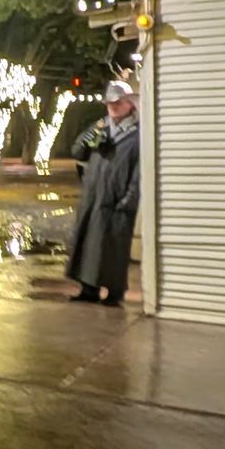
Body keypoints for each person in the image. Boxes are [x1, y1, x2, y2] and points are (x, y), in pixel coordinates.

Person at [66, 76, 141, 306]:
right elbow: (77, 151)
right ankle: (88, 288)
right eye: (110, 103)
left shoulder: (137, 135)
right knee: (90, 244)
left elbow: (139, 174)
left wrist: (128, 201)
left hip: (116, 200)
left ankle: (114, 293)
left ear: (130, 104)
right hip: (93, 195)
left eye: (118, 102)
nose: (113, 107)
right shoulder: (100, 127)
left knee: (113, 247)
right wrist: (89, 139)